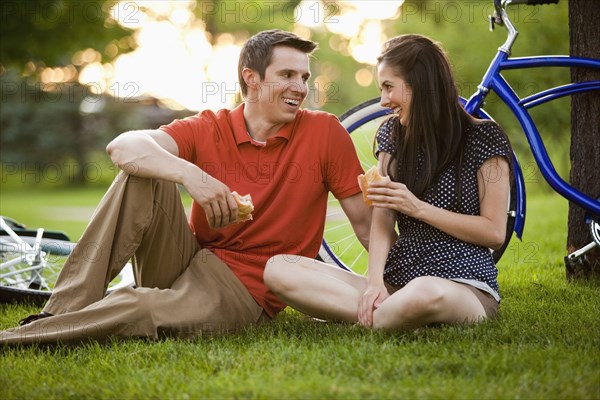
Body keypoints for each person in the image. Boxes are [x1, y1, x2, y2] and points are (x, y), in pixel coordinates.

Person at [0, 29, 371, 345]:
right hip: (187, 258)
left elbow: (365, 224)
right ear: (251, 78)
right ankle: (61, 310)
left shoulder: (324, 132)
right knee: (141, 170)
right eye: (288, 75)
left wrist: (399, 285)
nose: (300, 87)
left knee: (139, 306)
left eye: (304, 78)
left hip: (244, 289)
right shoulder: (212, 125)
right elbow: (123, 147)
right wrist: (193, 176)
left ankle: (22, 338)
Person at [264, 34, 512, 331]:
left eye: (388, 87)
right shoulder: (392, 134)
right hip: (398, 281)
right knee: (279, 268)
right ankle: (392, 314)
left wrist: (418, 208)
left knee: (425, 292)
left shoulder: (484, 137)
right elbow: (382, 216)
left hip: (461, 287)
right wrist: (374, 283)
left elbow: (494, 231)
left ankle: (376, 320)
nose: (383, 101)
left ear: (420, 84)